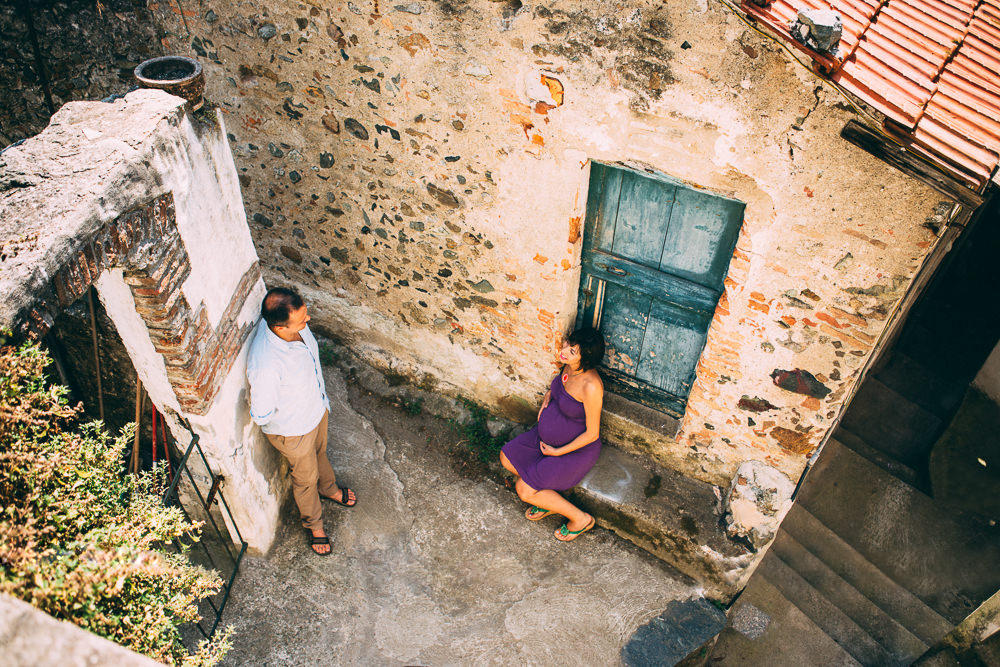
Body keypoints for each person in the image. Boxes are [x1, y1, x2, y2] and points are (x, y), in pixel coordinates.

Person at [246, 286, 356, 556]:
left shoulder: (289, 325)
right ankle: (315, 526)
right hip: (294, 431)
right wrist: (292, 416)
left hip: (316, 410)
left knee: (321, 453)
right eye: (301, 320)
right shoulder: (266, 365)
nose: (307, 322)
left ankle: (328, 488)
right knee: (305, 479)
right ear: (281, 329)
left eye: (304, 315)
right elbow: (261, 413)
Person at [500, 328, 605, 542]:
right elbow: (561, 386)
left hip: (574, 451)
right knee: (506, 458)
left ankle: (580, 519)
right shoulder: (570, 366)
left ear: (586, 357)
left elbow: (592, 434)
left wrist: (558, 452)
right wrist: (549, 396)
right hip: (545, 439)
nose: (564, 350)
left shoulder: (592, 386)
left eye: (572, 351)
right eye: (567, 344)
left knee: (524, 490)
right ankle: (546, 498)